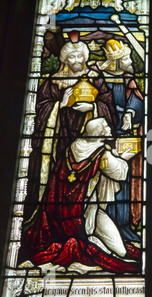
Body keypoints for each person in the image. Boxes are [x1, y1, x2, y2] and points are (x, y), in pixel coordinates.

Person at [20, 118, 140, 273]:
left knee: (115, 245)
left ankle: (108, 246)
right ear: (99, 133)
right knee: (119, 251)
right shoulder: (101, 153)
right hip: (88, 211)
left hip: (65, 212)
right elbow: (120, 172)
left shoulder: (73, 147)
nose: (110, 128)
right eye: (106, 127)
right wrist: (126, 157)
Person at [24, 35, 117, 225]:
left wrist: (92, 108)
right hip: (60, 139)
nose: (76, 61)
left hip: (89, 142)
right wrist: (60, 105)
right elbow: (39, 108)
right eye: (71, 58)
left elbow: (108, 103)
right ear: (65, 60)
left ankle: (83, 223)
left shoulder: (94, 78)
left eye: (79, 57)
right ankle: (53, 222)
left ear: (84, 57)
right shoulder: (54, 82)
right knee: (58, 181)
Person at [95, 39, 145, 240]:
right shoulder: (98, 78)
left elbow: (136, 99)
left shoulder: (127, 79)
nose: (129, 61)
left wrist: (131, 113)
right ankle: (97, 225)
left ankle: (122, 225)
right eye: (125, 58)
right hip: (101, 135)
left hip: (124, 136)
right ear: (115, 61)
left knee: (124, 180)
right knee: (102, 181)